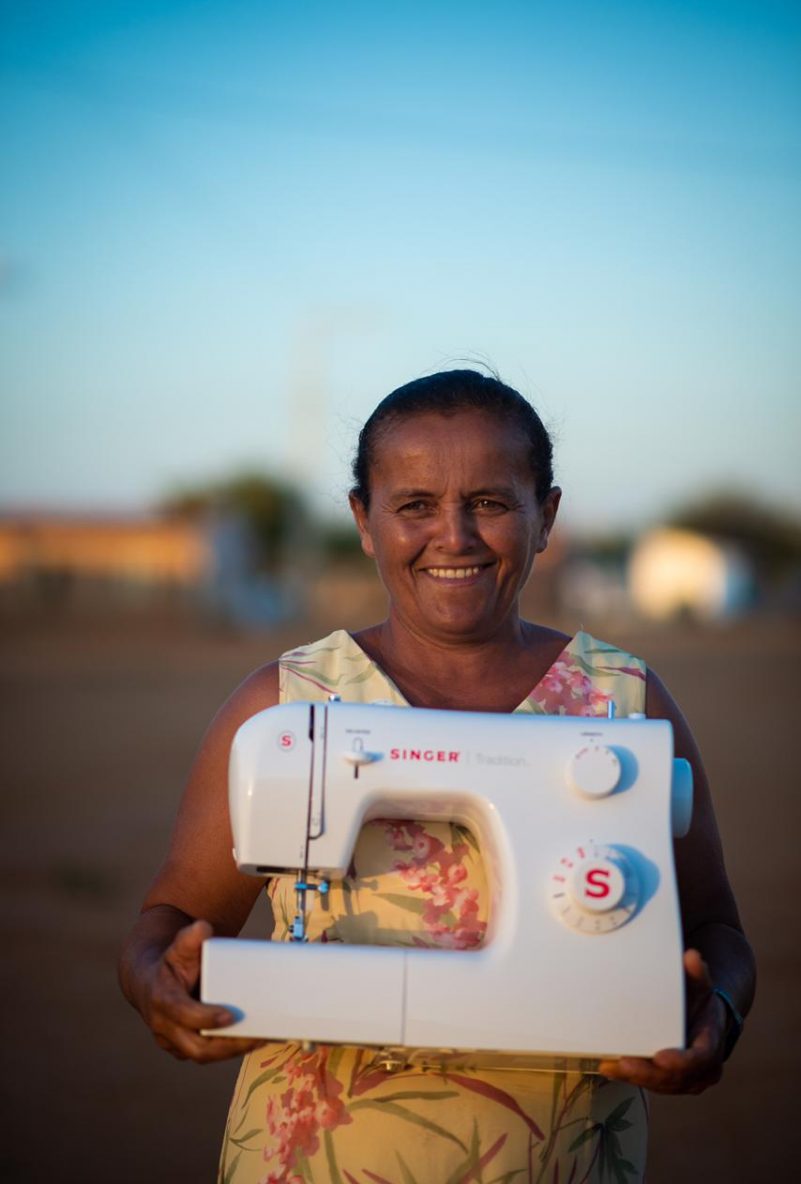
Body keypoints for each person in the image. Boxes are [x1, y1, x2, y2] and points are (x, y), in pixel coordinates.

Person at [119, 369, 756, 1183]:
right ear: (363, 519)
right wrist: (156, 985)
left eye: (489, 502)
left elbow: (717, 932)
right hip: (311, 1159)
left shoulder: (621, 702)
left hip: (558, 1157)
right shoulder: (286, 702)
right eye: (414, 505)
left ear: (544, 516)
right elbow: (170, 917)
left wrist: (717, 1014)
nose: (451, 536)